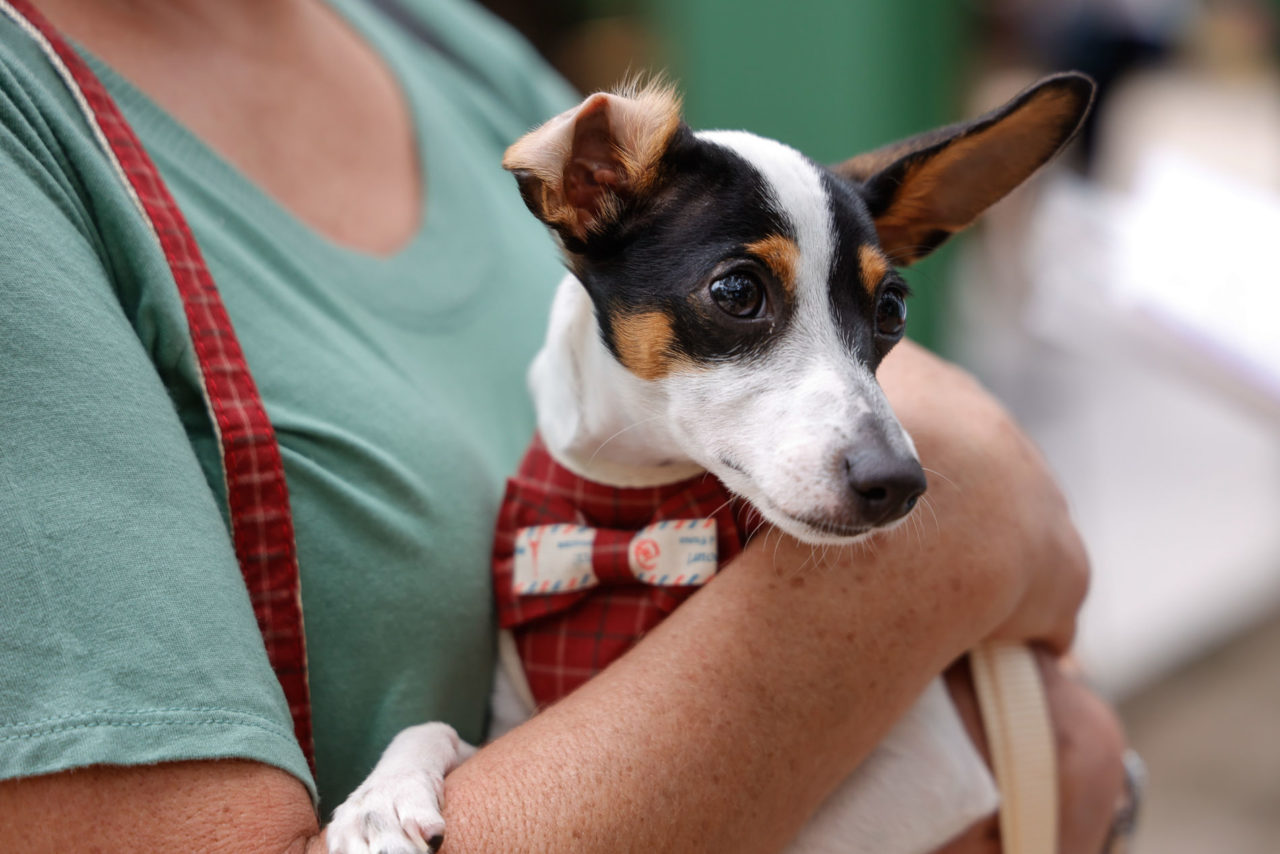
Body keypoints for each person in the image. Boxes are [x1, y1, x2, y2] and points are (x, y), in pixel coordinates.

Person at [0, 0, 1126, 851]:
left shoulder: (441, 41)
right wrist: (957, 532)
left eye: (877, 314)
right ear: (582, 191)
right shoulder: (32, 119)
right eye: (741, 298)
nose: (873, 425)